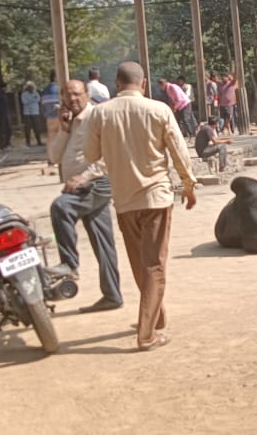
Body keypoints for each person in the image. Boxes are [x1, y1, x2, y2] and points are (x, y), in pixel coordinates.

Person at [84, 62, 196, 352]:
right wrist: (189, 185)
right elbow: (179, 152)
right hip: (156, 198)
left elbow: (90, 154)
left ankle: (156, 318)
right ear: (143, 84)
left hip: (124, 201)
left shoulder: (100, 113)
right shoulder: (159, 110)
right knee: (155, 265)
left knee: (139, 263)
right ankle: (146, 334)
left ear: (117, 84)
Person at [42, 80, 123, 313]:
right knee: (103, 242)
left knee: (61, 208)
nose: (73, 100)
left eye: (77, 95)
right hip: (83, 187)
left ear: (87, 95)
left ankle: (69, 264)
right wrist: (63, 130)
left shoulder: (97, 116)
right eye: (68, 96)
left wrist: (85, 177)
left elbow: (110, 153)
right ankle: (112, 295)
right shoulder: (69, 123)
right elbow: (55, 157)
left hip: (96, 183)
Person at [20, 82, 44, 147]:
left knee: (37, 127)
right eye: (30, 87)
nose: (31, 88)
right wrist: (33, 100)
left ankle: (39, 141)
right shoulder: (24, 94)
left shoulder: (36, 93)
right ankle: (28, 142)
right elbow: (24, 102)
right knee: (27, 128)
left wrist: (30, 100)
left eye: (32, 87)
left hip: (35, 112)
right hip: (27, 113)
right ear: (27, 88)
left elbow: (38, 100)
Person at [41, 72, 62, 146]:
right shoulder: (59, 88)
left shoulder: (45, 89)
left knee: (51, 138)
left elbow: (42, 104)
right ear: (55, 77)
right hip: (59, 116)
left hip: (49, 117)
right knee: (61, 138)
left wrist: (45, 114)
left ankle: (51, 156)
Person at [0, 82, 12, 150]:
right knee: (2, 129)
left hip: (5, 113)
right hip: (1, 114)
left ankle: (7, 143)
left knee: (8, 129)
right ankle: (2, 145)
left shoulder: (3, 93)